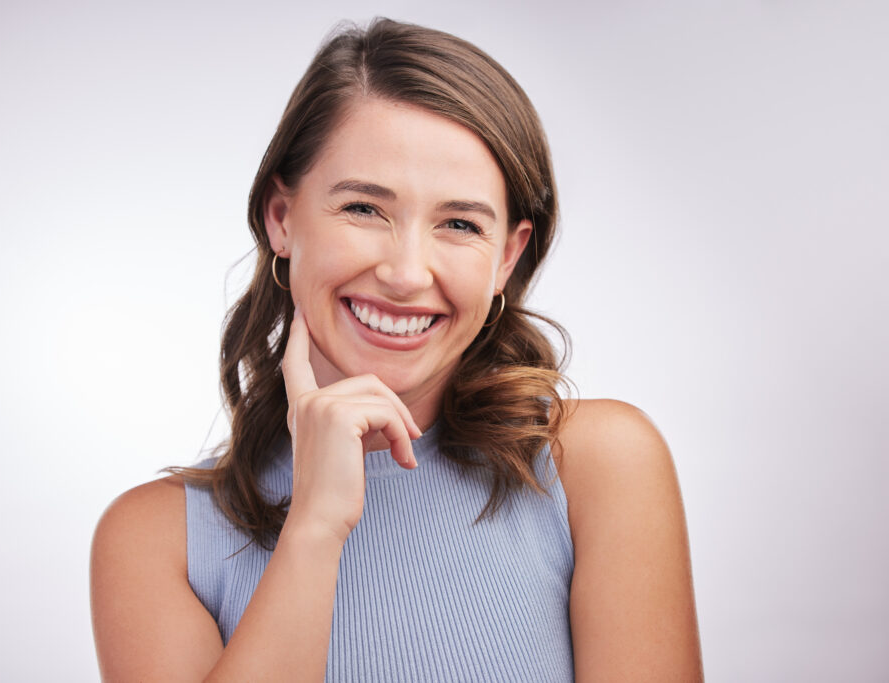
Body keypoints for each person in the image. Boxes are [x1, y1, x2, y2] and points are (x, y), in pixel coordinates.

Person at [90, 18, 703, 682]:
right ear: (282, 218)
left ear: (507, 256)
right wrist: (316, 526)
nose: (408, 273)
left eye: (460, 224)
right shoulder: (156, 542)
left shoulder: (593, 467)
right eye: (364, 209)